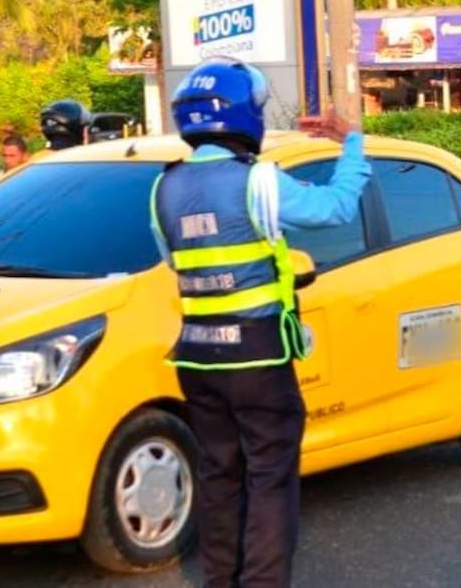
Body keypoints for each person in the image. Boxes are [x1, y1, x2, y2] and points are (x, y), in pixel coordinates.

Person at [151, 57, 371, 587]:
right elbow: (337, 208)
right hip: (258, 356)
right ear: (242, 114)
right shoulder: (258, 181)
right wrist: (354, 144)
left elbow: (171, 260)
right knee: (270, 476)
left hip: (197, 358)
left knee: (219, 475)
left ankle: (220, 580)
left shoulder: (163, 189)